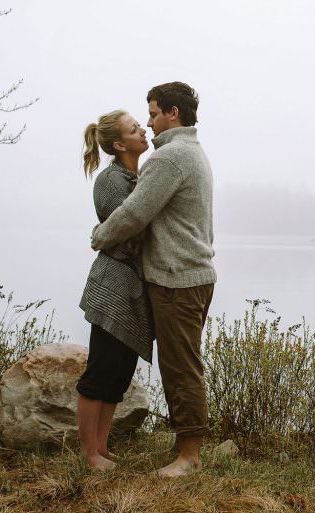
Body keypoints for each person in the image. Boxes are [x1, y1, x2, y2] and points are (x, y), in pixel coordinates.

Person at [91, 82, 216, 477]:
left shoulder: (169, 159)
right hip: (191, 275)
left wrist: (98, 237)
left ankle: (189, 458)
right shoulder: (191, 151)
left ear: (172, 114)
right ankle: (185, 449)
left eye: (152, 113)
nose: (148, 122)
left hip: (178, 279)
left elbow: (132, 215)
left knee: (181, 369)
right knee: (183, 365)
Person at [76, 110, 154, 471]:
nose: (143, 130)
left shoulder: (136, 175)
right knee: (100, 372)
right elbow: (127, 227)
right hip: (113, 288)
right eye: (134, 128)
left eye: (141, 124)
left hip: (132, 290)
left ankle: (102, 449)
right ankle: (89, 455)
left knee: (119, 376)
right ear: (119, 144)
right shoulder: (110, 180)